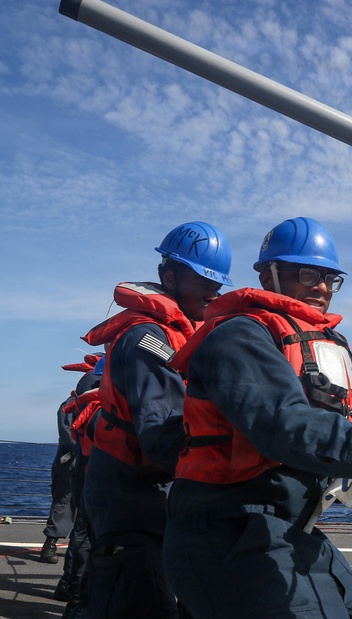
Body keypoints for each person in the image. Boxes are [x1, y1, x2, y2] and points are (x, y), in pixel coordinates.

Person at [163, 216, 352, 619]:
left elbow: (323, 432)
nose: (322, 288)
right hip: (228, 531)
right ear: (267, 274)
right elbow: (282, 425)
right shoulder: (238, 336)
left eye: (330, 279)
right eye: (308, 274)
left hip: (293, 529)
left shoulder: (317, 343)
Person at [78, 221, 233, 619]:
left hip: (152, 494)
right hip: (131, 497)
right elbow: (162, 437)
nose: (213, 292)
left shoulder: (182, 333)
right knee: (138, 601)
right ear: (170, 277)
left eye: (218, 284)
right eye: (204, 280)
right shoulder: (150, 339)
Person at [41, 354, 103, 566]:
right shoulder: (71, 404)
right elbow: (68, 433)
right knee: (64, 503)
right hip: (73, 459)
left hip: (90, 460)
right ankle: (50, 542)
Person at [56, 355, 105, 612]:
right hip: (101, 479)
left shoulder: (84, 406)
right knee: (92, 536)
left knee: (81, 531)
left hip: (82, 472)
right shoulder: (104, 411)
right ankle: (80, 592)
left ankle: (71, 587)